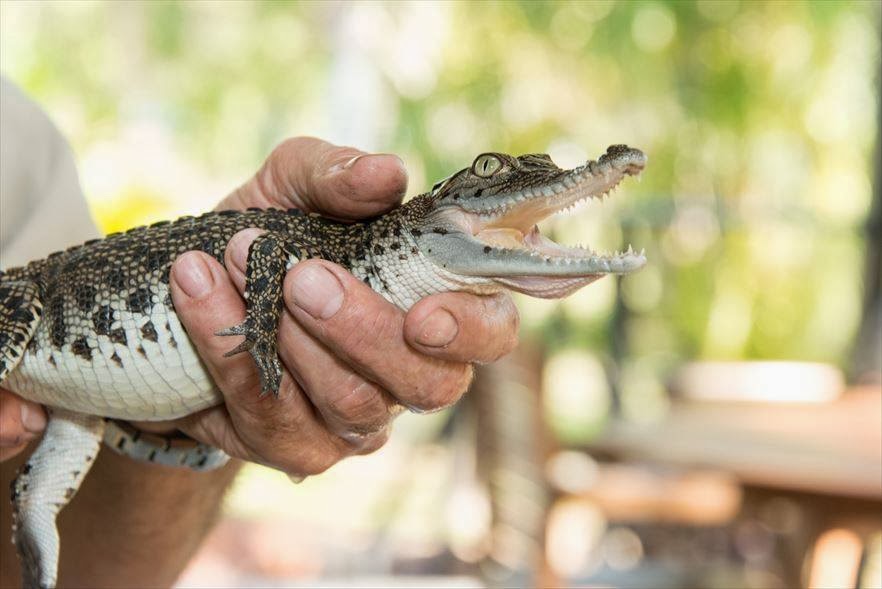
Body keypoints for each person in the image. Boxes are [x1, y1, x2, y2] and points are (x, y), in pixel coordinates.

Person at [0, 77, 519, 587]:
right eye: (494, 171)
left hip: (84, 386)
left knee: (42, 506)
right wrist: (259, 344)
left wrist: (178, 423)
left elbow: (97, 572)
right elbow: (264, 252)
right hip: (45, 314)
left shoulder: (21, 142)